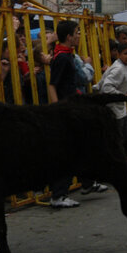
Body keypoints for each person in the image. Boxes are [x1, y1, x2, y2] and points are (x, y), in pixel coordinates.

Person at [47, 20, 85, 208]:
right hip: (65, 111)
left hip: (71, 108)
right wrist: (58, 110)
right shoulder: (62, 58)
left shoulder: (68, 55)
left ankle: (86, 182)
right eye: (77, 33)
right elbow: (52, 85)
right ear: (69, 36)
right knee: (67, 154)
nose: (79, 36)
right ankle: (58, 194)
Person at [98, 41, 127, 151]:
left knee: (122, 138)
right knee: (117, 140)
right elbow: (106, 87)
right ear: (119, 54)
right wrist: (122, 95)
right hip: (114, 109)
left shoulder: (123, 66)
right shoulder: (119, 68)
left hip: (119, 108)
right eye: (125, 53)